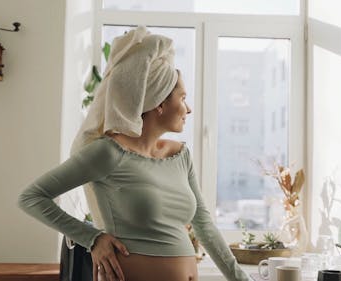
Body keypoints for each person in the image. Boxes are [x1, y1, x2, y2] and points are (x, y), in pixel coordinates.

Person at [18, 26, 252, 281]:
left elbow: (204, 226)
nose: (189, 108)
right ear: (159, 104)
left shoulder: (180, 155)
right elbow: (32, 197)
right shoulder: (108, 153)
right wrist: (92, 238)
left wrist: (242, 279)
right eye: (182, 98)